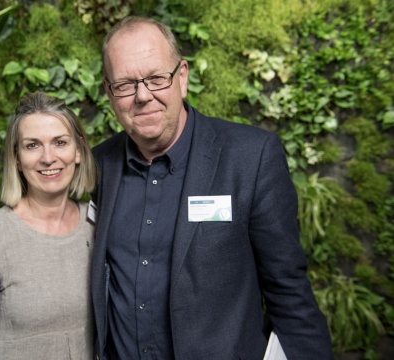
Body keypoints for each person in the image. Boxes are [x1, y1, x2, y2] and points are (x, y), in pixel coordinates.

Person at [90, 16, 334, 359]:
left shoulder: (250, 158)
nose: (143, 96)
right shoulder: (98, 166)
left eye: (156, 78)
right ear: (109, 93)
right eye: (126, 84)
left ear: (182, 77)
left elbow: (289, 294)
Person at [0, 92, 97, 360]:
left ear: (78, 151)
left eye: (60, 142)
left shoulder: (97, 225)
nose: (48, 157)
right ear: (16, 158)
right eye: (32, 146)